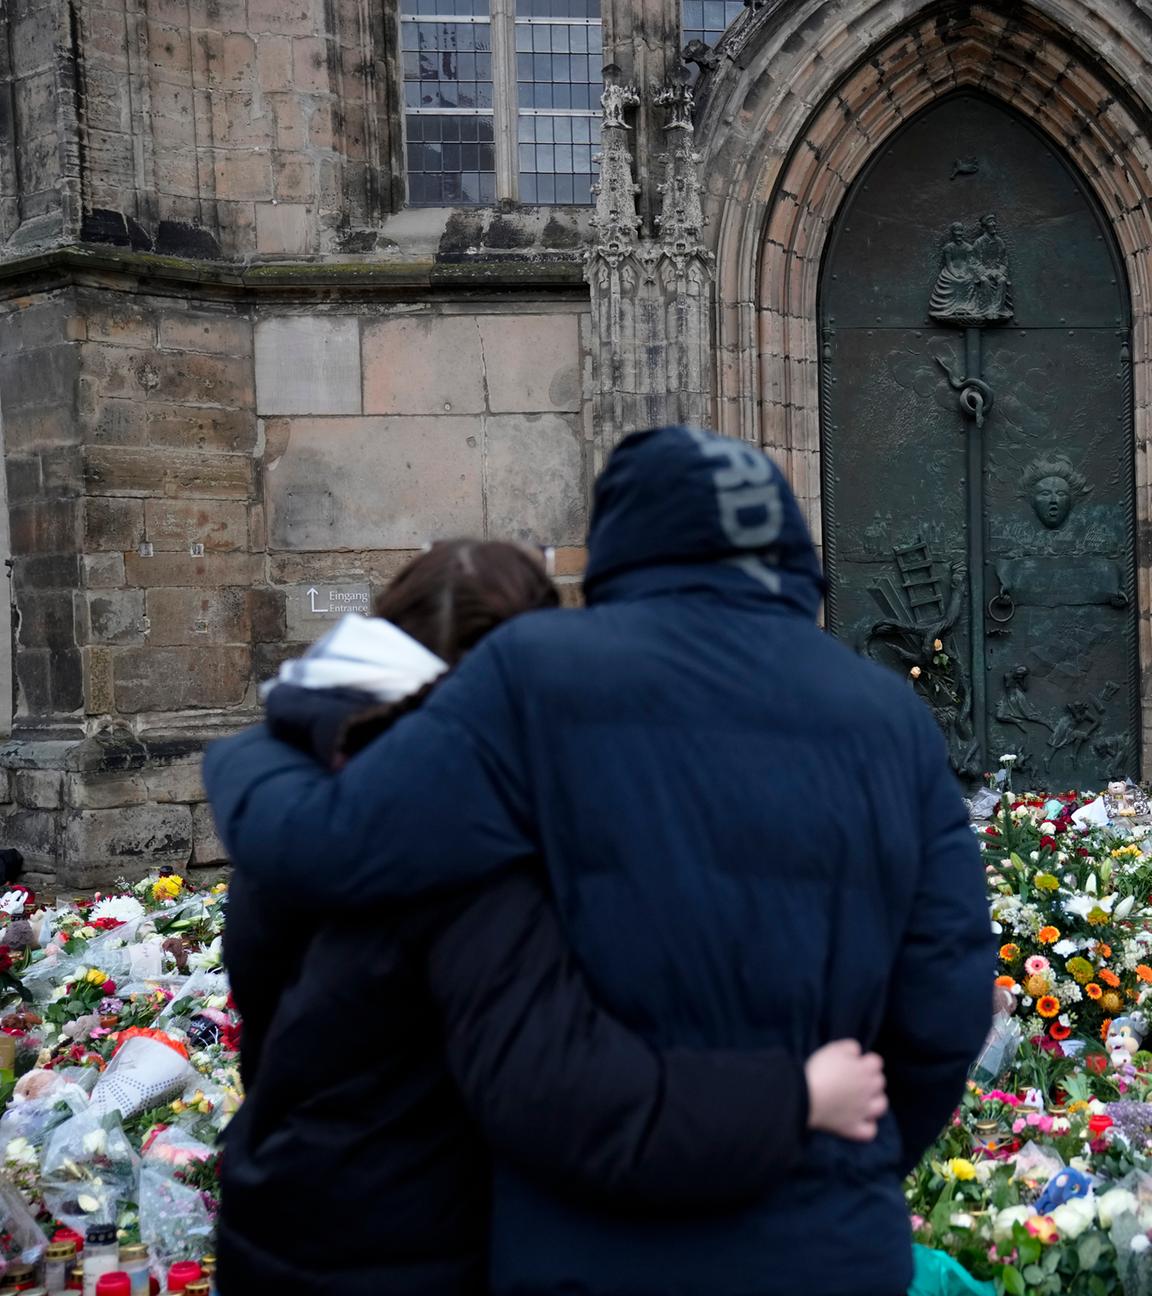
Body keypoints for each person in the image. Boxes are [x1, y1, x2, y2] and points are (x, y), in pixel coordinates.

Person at [206, 427, 994, 1296]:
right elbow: (947, 999)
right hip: (831, 1239)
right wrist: (844, 1152)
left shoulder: (534, 673)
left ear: (622, 540)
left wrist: (256, 747)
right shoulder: (891, 715)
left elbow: (331, 843)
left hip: (583, 1244)